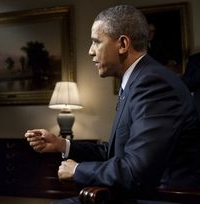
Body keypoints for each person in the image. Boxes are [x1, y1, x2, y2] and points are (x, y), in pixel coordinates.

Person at [25, 5, 200, 204]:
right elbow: (117, 153)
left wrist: (77, 170)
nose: (90, 52)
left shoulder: (153, 84)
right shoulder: (139, 80)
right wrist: (61, 145)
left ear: (123, 44)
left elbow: (135, 171)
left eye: (96, 42)